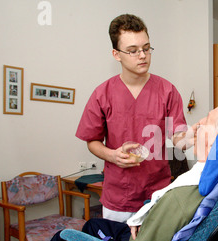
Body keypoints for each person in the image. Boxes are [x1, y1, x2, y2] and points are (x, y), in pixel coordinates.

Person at [41, 103, 218, 241]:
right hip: (149, 226)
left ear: (215, 140)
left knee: (62, 238)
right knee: (92, 225)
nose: (199, 122)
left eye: (207, 119)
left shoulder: (185, 194)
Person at [75, 14, 196, 223]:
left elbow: (178, 135)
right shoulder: (102, 94)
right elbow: (92, 141)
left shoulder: (167, 91)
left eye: (147, 48)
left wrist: (192, 139)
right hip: (118, 196)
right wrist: (112, 156)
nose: (142, 55)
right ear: (116, 54)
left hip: (157, 194)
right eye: (132, 50)